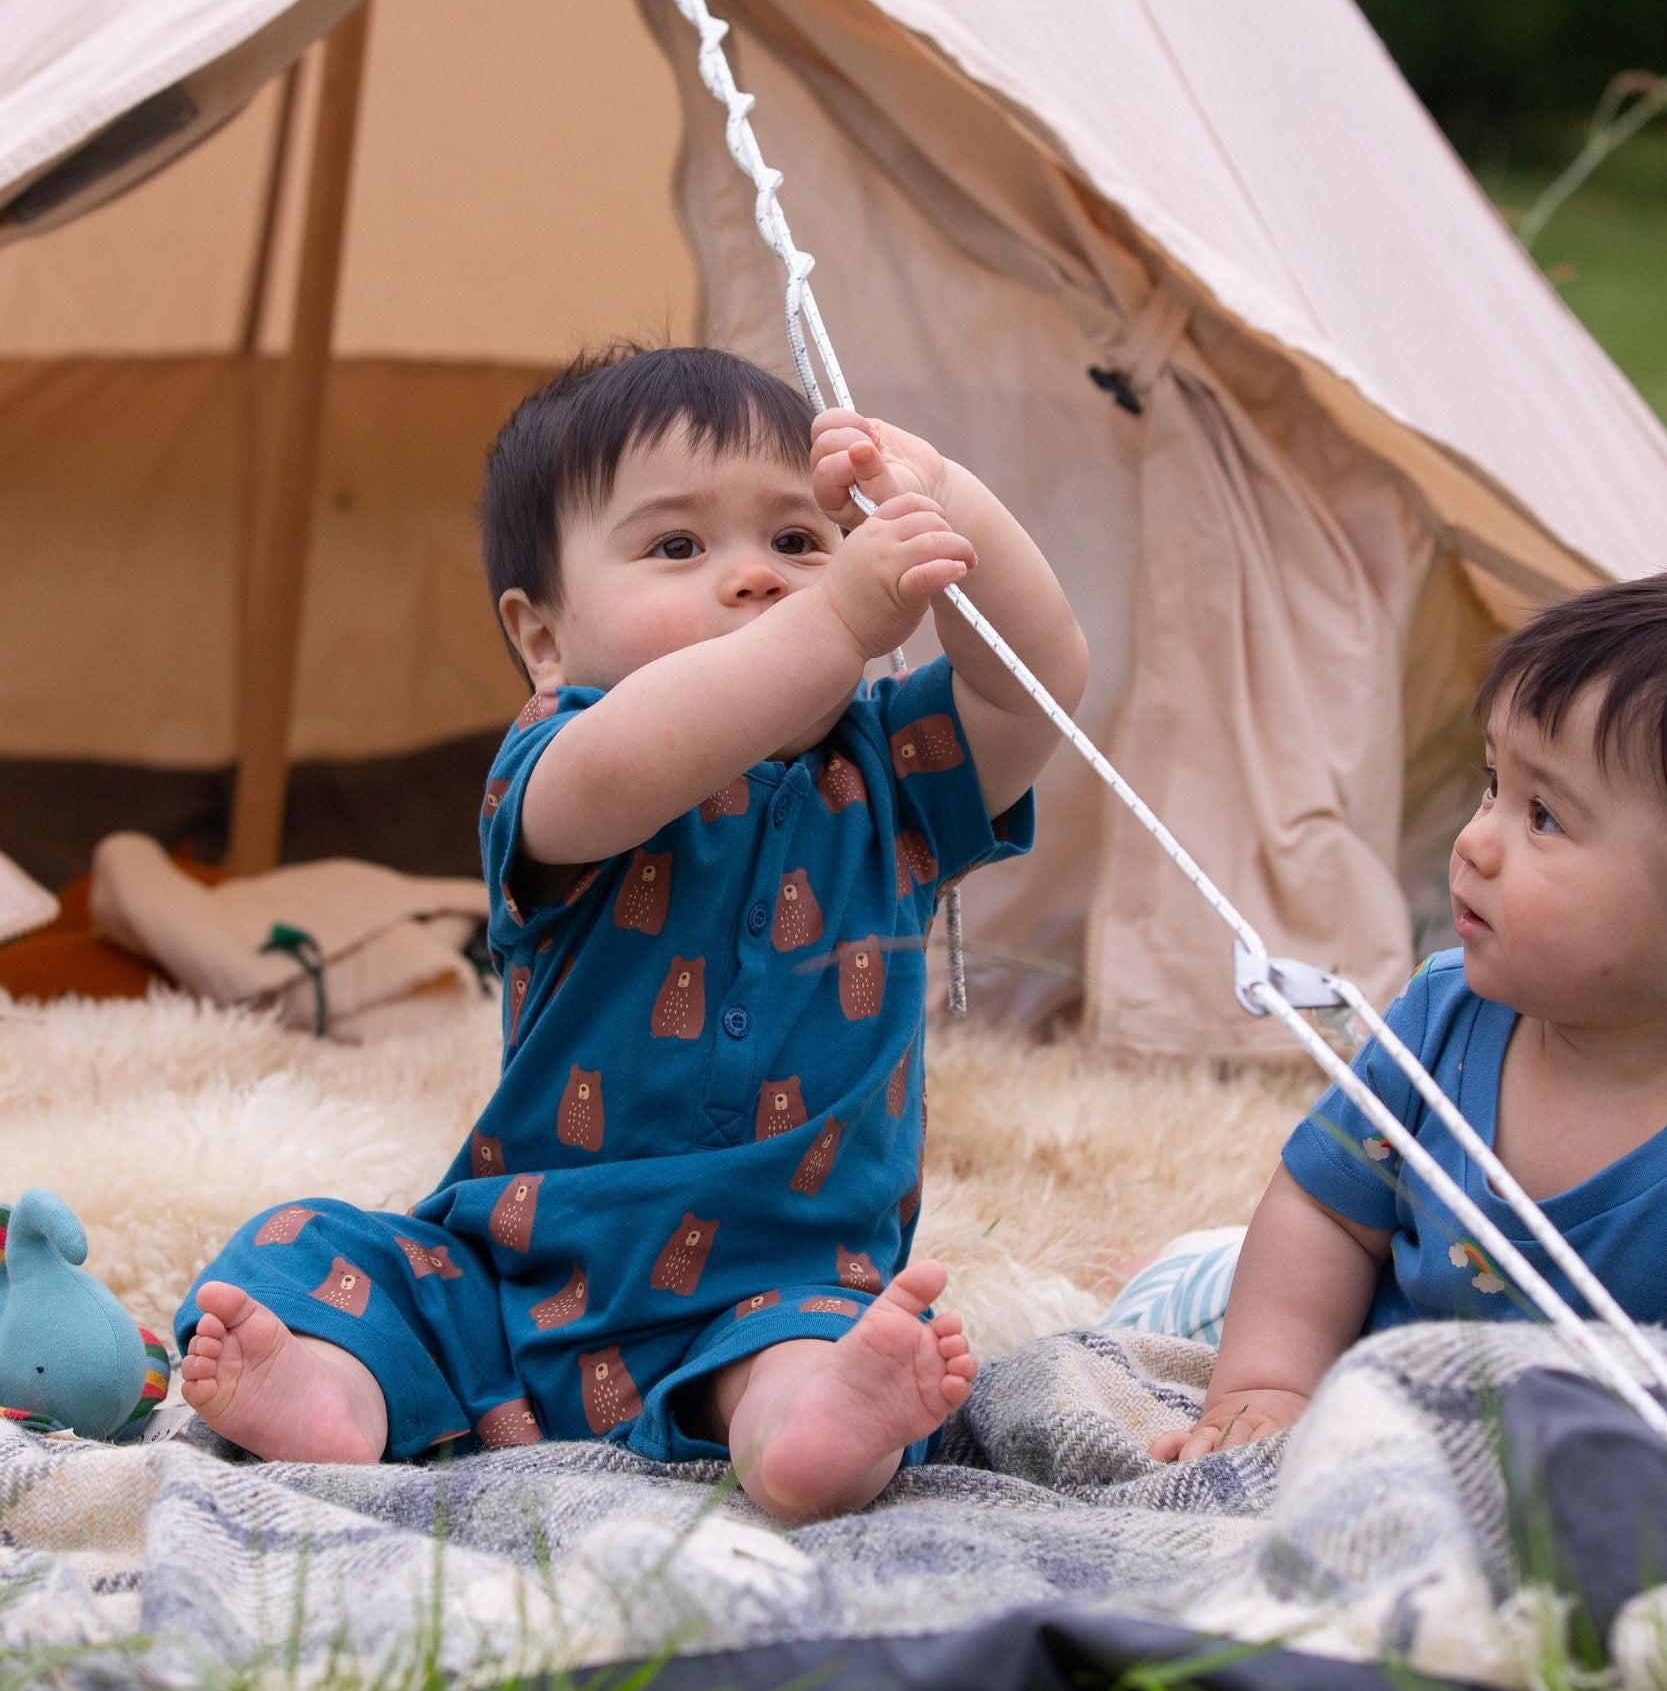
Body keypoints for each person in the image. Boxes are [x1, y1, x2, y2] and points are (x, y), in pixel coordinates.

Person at [176, 345, 1087, 1519]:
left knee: (827, 1353)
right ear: (543, 639)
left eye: (800, 541)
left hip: (780, 1286)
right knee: (303, 1242)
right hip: (517, 1268)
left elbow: (1037, 679)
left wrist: (945, 497)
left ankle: (803, 1436)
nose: (756, 579)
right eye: (677, 546)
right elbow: (641, 759)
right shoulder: (556, 764)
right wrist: (843, 611)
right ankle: (331, 1394)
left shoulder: (891, 779)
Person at [1151, 573, 1667, 1461]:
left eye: (1542, 816)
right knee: (1179, 1286)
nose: (1473, 840)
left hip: (1576, 1476)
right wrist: (1264, 1391)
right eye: (1491, 785)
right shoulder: (1442, 1016)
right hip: (1371, 1411)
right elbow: (1326, 1213)